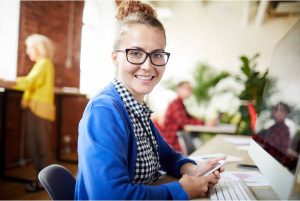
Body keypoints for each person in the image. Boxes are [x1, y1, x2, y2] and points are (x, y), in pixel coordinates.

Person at [75, 1, 224, 200]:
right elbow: (109, 196)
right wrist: (182, 191)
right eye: (135, 53)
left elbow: (168, 156)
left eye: (157, 54)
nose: (147, 65)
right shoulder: (104, 112)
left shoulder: (137, 109)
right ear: (115, 57)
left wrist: (193, 170)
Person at [0, 34, 55, 192]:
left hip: (40, 110)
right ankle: (42, 179)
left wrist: (7, 82)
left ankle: (47, 181)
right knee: (33, 145)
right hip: (34, 109)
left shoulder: (44, 63)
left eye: (29, 47)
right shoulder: (40, 64)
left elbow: (30, 82)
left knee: (41, 146)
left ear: (38, 48)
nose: (27, 51)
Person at [160, 81, 203, 152]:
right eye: (187, 88)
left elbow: (189, 118)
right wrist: (204, 123)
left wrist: (204, 122)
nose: (190, 91)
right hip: (173, 143)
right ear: (179, 89)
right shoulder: (175, 104)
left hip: (178, 141)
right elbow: (184, 122)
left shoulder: (180, 104)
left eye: (190, 89)